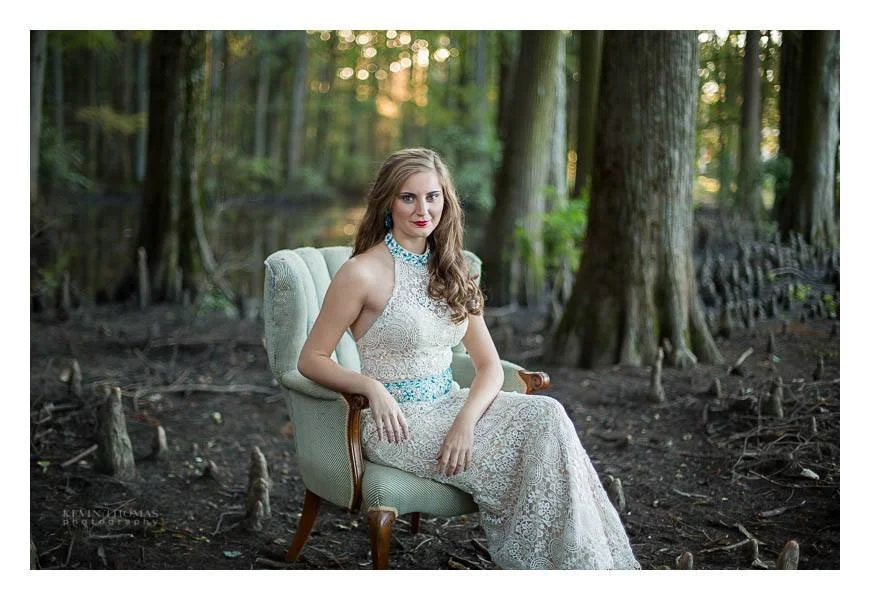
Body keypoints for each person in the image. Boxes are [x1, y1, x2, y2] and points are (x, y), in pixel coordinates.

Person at [296, 147, 640, 569]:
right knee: (534, 455)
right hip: (399, 425)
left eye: (432, 197)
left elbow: (490, 366)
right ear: (387, 202)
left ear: (446, 201)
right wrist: (371, 387)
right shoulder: (361, 272)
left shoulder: (453, 268)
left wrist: (466, 422)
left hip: (451, 405)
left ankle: (583, 566)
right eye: (408, 198)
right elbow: (311, 358)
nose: (423, 210)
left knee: (549, 414)